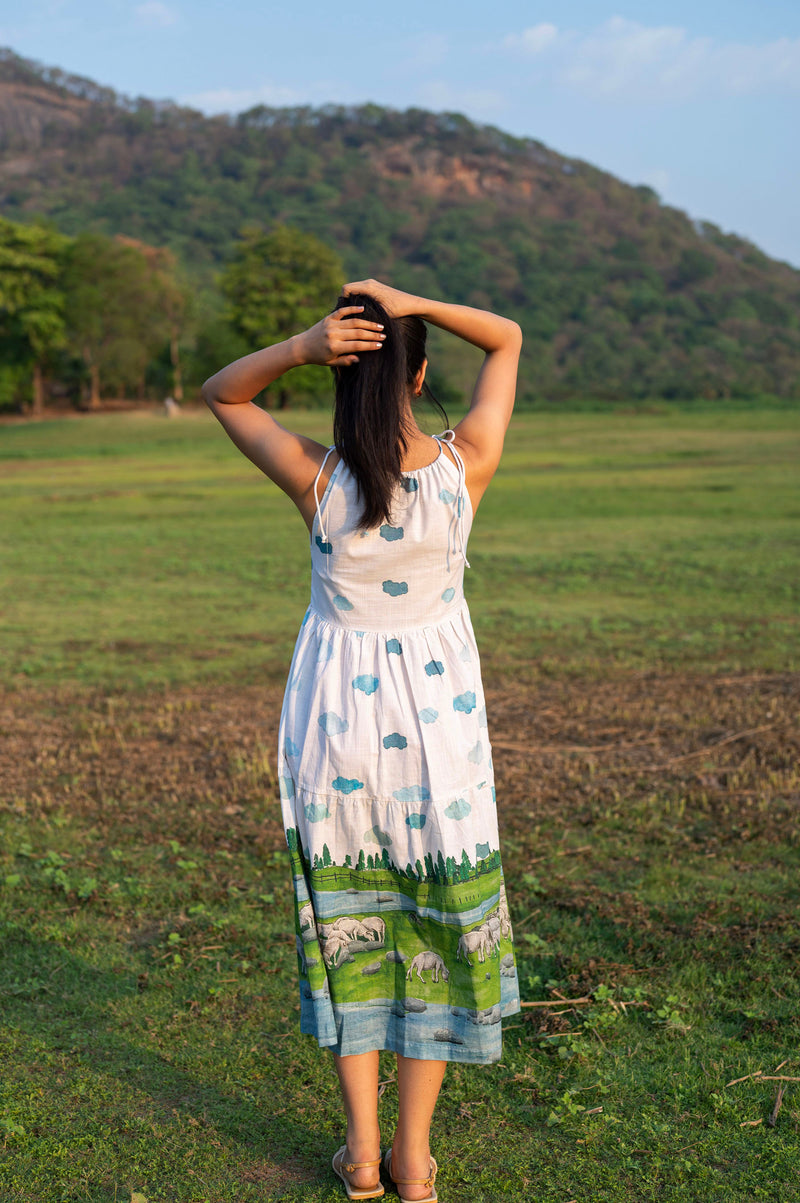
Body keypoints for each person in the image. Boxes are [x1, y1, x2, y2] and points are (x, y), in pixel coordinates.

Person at [202, 279, 522, 1202]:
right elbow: (505, 340)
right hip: (441, 754)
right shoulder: (467, 468)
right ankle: (415, 1163)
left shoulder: (318, 480)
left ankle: (363, 1155)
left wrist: (304, 344)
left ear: (343, 382)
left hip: (333, 749)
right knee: (432, 930)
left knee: (355, 930)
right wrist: (408, 299)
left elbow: (226, 391)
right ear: (420, 377)